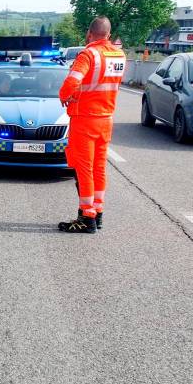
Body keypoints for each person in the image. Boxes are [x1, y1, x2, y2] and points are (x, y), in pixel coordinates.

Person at [58, 16, 125, 233]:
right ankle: (98, 213)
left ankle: (87, 218)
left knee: (84, 168)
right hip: (106, 120)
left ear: (89, 33)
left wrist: (65, 96)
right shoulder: (119, 55)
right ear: (108, 34)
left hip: (85, 119)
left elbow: (72, 81)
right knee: (99, 168)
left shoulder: (88, 54)